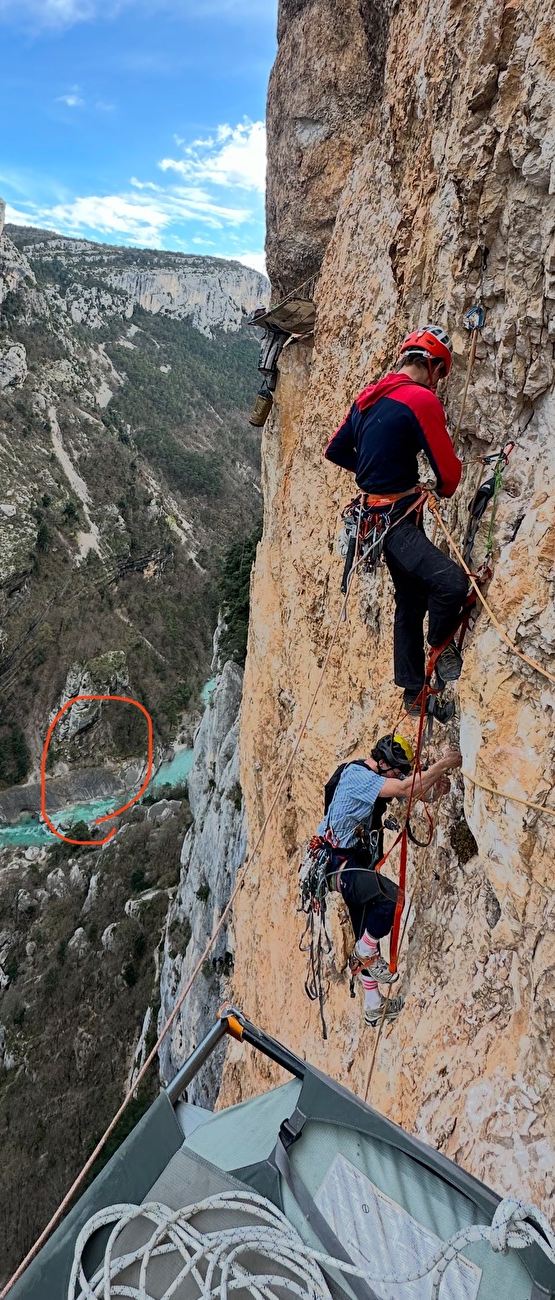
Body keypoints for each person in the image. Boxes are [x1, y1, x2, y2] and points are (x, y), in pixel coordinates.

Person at [325, 326, 469, 719]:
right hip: (396, 521)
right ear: (434, 366)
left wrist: (376, 471)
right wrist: (417, 483)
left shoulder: (369, 397)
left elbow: (335, 449)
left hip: (375, 517)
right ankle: (441, 648)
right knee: (451, 584)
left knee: (410, 598)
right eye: (441, 374)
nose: (439, 382)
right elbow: (449, 478)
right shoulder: (420, 400)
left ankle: (412, 692)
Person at [317, 732, 461, 1026]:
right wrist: (444, 764)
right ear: (383, 763)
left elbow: (414, 790)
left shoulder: (379, 776)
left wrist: (436, 787)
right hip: (338, 862)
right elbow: (406, 787)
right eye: (397, 770)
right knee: (392, 900)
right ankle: (364, 951)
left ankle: (373, 1005)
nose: (399, 775)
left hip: (350, 862)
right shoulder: (358, 776)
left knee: (366, 929)